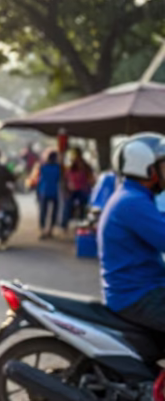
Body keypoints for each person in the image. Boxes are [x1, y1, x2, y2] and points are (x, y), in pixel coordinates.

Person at [98, 133, 165, 341]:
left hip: (141, 289)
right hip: (138, 296)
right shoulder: (133, 202)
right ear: (148, 169)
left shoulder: (133, 196)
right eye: (163, 166)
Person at [61, 148, 94, 229]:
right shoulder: (71, 166)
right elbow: (66, 177)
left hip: (82, 190)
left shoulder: (85, 166)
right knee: (67, 205)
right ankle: (64, 224)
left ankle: (82, 222)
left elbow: (90, 178)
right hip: (73, 190)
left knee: (84, 206)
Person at [36, 150, 62, 238]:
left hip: (44, 191)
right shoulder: (58, 168)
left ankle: (43, 230)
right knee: (53, 212)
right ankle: (50, 230)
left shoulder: (43, 167)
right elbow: (59, 179)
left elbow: (39, 180)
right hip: (54, 192)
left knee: (43, 211)